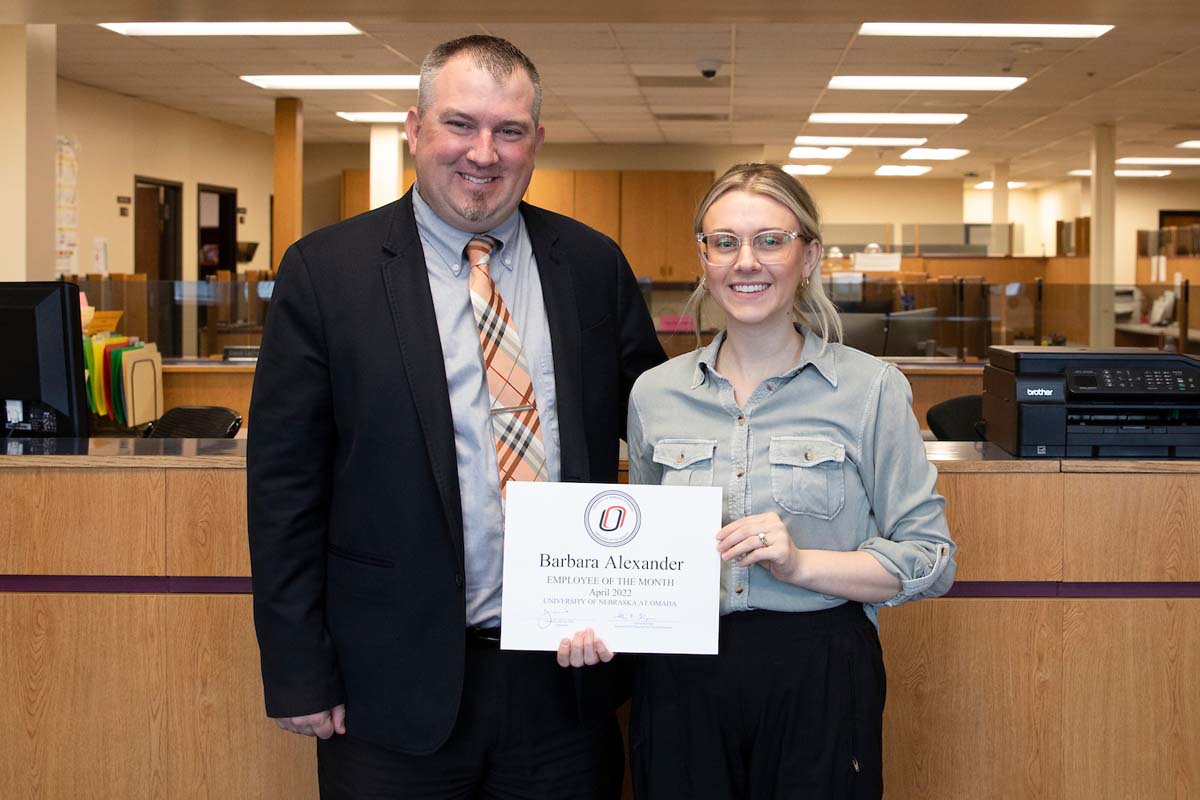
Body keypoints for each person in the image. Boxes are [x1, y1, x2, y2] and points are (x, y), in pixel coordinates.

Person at [247, 35, 665, 799]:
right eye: (460, 124)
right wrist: (297, 668)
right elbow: (284, 488)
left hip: (566, 682)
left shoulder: (592, 266)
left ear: (536, 141)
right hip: (387, 687)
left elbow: (664, 433)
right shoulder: (326, 272)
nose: (484, 153)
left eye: (509, 131)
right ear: (414, 128)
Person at [625, 163, 956, 799]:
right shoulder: (654, 394)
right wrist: (599, 615)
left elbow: (930, 560)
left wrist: (802, 564)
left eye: (769, 240)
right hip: (680, 676)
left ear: (808, 256)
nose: (745, 261)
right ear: (704, 258)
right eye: (724, 242)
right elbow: (637, 555)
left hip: (821, 669)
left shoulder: (872, 389)